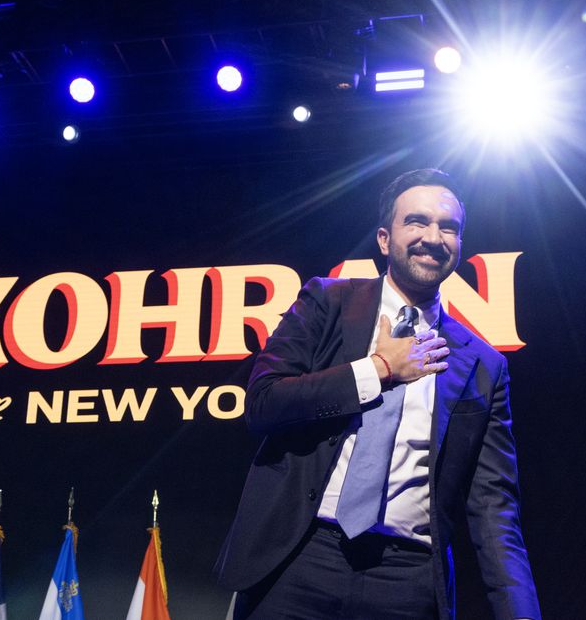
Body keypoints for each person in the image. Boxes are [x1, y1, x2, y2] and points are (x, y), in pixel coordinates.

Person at [215, 168, 540, 620]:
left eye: (449, 227)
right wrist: (379, 370)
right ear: (385, 239)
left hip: (407, 578)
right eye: (417, 222)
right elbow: (264, 403)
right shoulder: (327, 303)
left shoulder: (482, 363)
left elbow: (493, 507)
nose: (433, 236)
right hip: (299, 560)